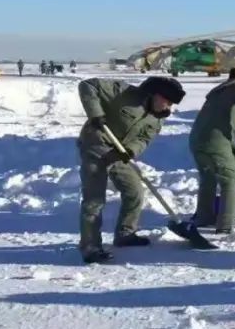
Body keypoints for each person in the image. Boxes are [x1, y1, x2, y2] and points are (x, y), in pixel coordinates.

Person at [76, 75, 186, 263]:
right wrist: (96, 114)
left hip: (119, 154)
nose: (168, 107)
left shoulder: (157, 119)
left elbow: (144, 139)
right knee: (94, 199)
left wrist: (131, 150)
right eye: (166, 101)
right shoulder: (123, 93)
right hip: (95, 146)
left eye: (171, 104)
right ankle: (90, 246)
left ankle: (125, 234)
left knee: (135, 191)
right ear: (154, 95)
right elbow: (87, 85)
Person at [189, 68, 235, 234]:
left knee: (208, 179)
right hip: (215, 143)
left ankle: (204, 217)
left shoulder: (220, 93)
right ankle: (226, 225)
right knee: (230, 181)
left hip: (197, 141)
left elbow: (222, 128)